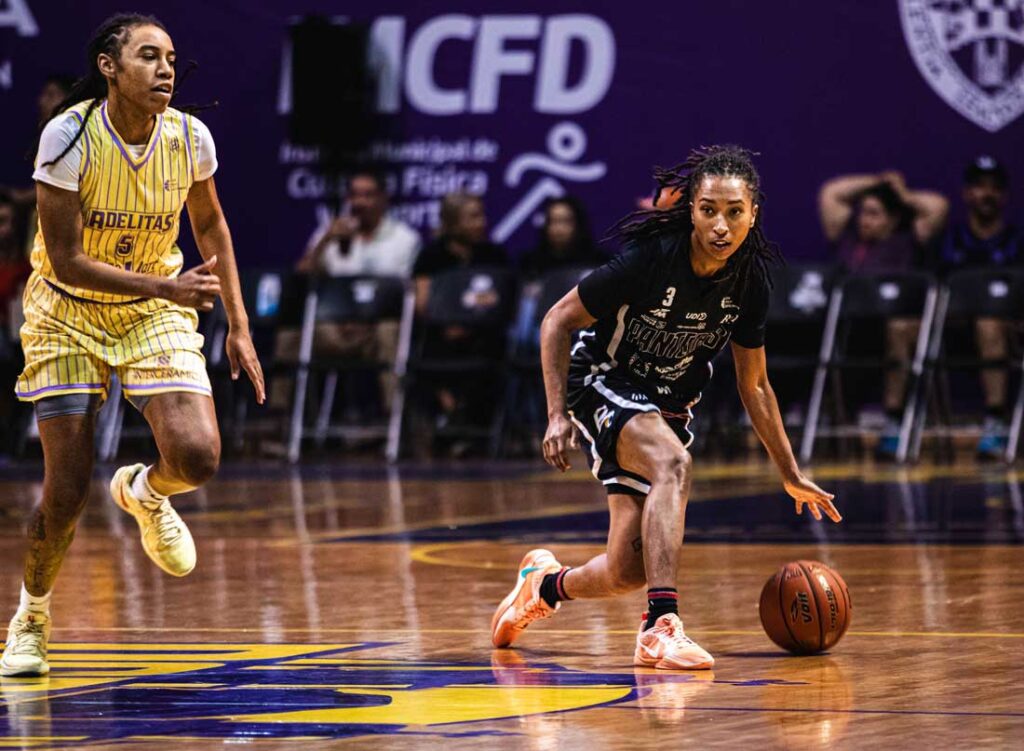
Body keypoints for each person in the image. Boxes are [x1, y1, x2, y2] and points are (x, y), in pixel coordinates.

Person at [491, 146, 841, 669]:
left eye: (734, 212)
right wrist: (556, 414)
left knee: (625, 571)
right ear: (691, 210)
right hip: (602, 380)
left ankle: (541, 586)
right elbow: (557, 320)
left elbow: (755, 385)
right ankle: (661, 626)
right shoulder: (653, 259)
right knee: (673, 463)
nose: (721, 225)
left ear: (753, 214)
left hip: (668, 405)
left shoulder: (749, 280)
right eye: (708, 210)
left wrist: (790, 473)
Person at [1, 14, 265, 677]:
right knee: (66, 489)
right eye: (149, 56)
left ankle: (145, 490)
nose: (166, 69)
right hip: (66, 313)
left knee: (198, 456)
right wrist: (168, 286)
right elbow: (65, 260)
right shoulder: (68, 136)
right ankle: (31, 616)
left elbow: (211, 224)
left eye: (171, 57)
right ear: (110, 67)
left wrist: (240, 324)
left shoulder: (189, 137)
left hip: (151, 309)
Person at [818, 171, 949, 457]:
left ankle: (893, 420)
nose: (864, 220)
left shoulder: (910, 238)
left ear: (893, 219)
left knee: (899, 329)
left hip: (895, 328)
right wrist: (876, 181)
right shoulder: (847, 239)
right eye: (863, 212)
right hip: (852, 329)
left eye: (874, 214)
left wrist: (903, 195)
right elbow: (831, 193)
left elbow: (938, 207)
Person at [939, 156, 1024, 458]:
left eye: (994, 188)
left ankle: (995, 422)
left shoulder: (1017, 241)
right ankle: (897, 423)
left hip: (1008, 332)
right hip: (954, 331)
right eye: (979, 187)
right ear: (966, 193)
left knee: (989, 325)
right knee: (904, 328)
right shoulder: (951, 240)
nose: (987, 194)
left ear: (1004, 196)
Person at [295, 170, 421, 278]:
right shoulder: (329, 233)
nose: (359, 202)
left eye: (368, 195)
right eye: (353, 195)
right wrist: (325, 241)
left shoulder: (405, 238)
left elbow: (412, 288)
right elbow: (301, 276)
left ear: (383, 199)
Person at [518, 196, 607, 278]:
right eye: (553, 221)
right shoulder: (530, 264)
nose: (559, 229)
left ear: (578, 224)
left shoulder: (598, 262)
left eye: (566, 221)